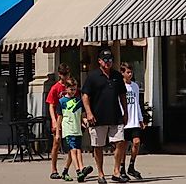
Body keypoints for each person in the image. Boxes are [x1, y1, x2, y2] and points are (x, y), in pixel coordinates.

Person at [82, 49, 128, 184]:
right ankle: (100, 174)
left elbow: (122, 95)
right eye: (105, 60)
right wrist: (89, 113)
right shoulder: (93, 76)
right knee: (98, 146)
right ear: (100, 61)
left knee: (120, 142)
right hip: (97, 116)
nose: (108, 62)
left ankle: (116, 171)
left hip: (115, 115)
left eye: (110, 60)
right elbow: (85, 96)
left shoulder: (117, 76)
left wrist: (126, 112)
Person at [57, 78, 93, 183]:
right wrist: (58, 132)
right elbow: (60, 117)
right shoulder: (62, 102)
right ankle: (79, 170)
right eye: (71, 89)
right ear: (66, 89)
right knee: (73, 150)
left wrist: (84, 120)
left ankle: (65, 171)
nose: (73, 91)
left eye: (74, 89)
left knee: (77, 149)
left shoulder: (78, 101)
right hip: (68, 129)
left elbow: (81, 114)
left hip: (77, 129)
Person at [46, 63, 74, 179]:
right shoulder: (55, 88)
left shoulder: (72, 86)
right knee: (56, 143)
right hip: (59, 119)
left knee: (73, 145)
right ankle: (53, 169)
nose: (65, 76)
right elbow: (51, 105)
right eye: (63, 74)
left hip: (70, 119)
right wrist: (53, 120)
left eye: (67, 74)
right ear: (59, 74)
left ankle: (66, 168)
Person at [119, 63, 145, 180]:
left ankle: (131, 165)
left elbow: (137, 103)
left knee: (136, 142)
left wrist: (140, 119)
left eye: (131, 72)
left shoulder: (134, 86)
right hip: (124, 121)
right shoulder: (120, 86)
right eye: (127, 72)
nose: (130, 74)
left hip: (134, 120)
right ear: (122, 73)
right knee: (123, 146)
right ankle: (122, 168)